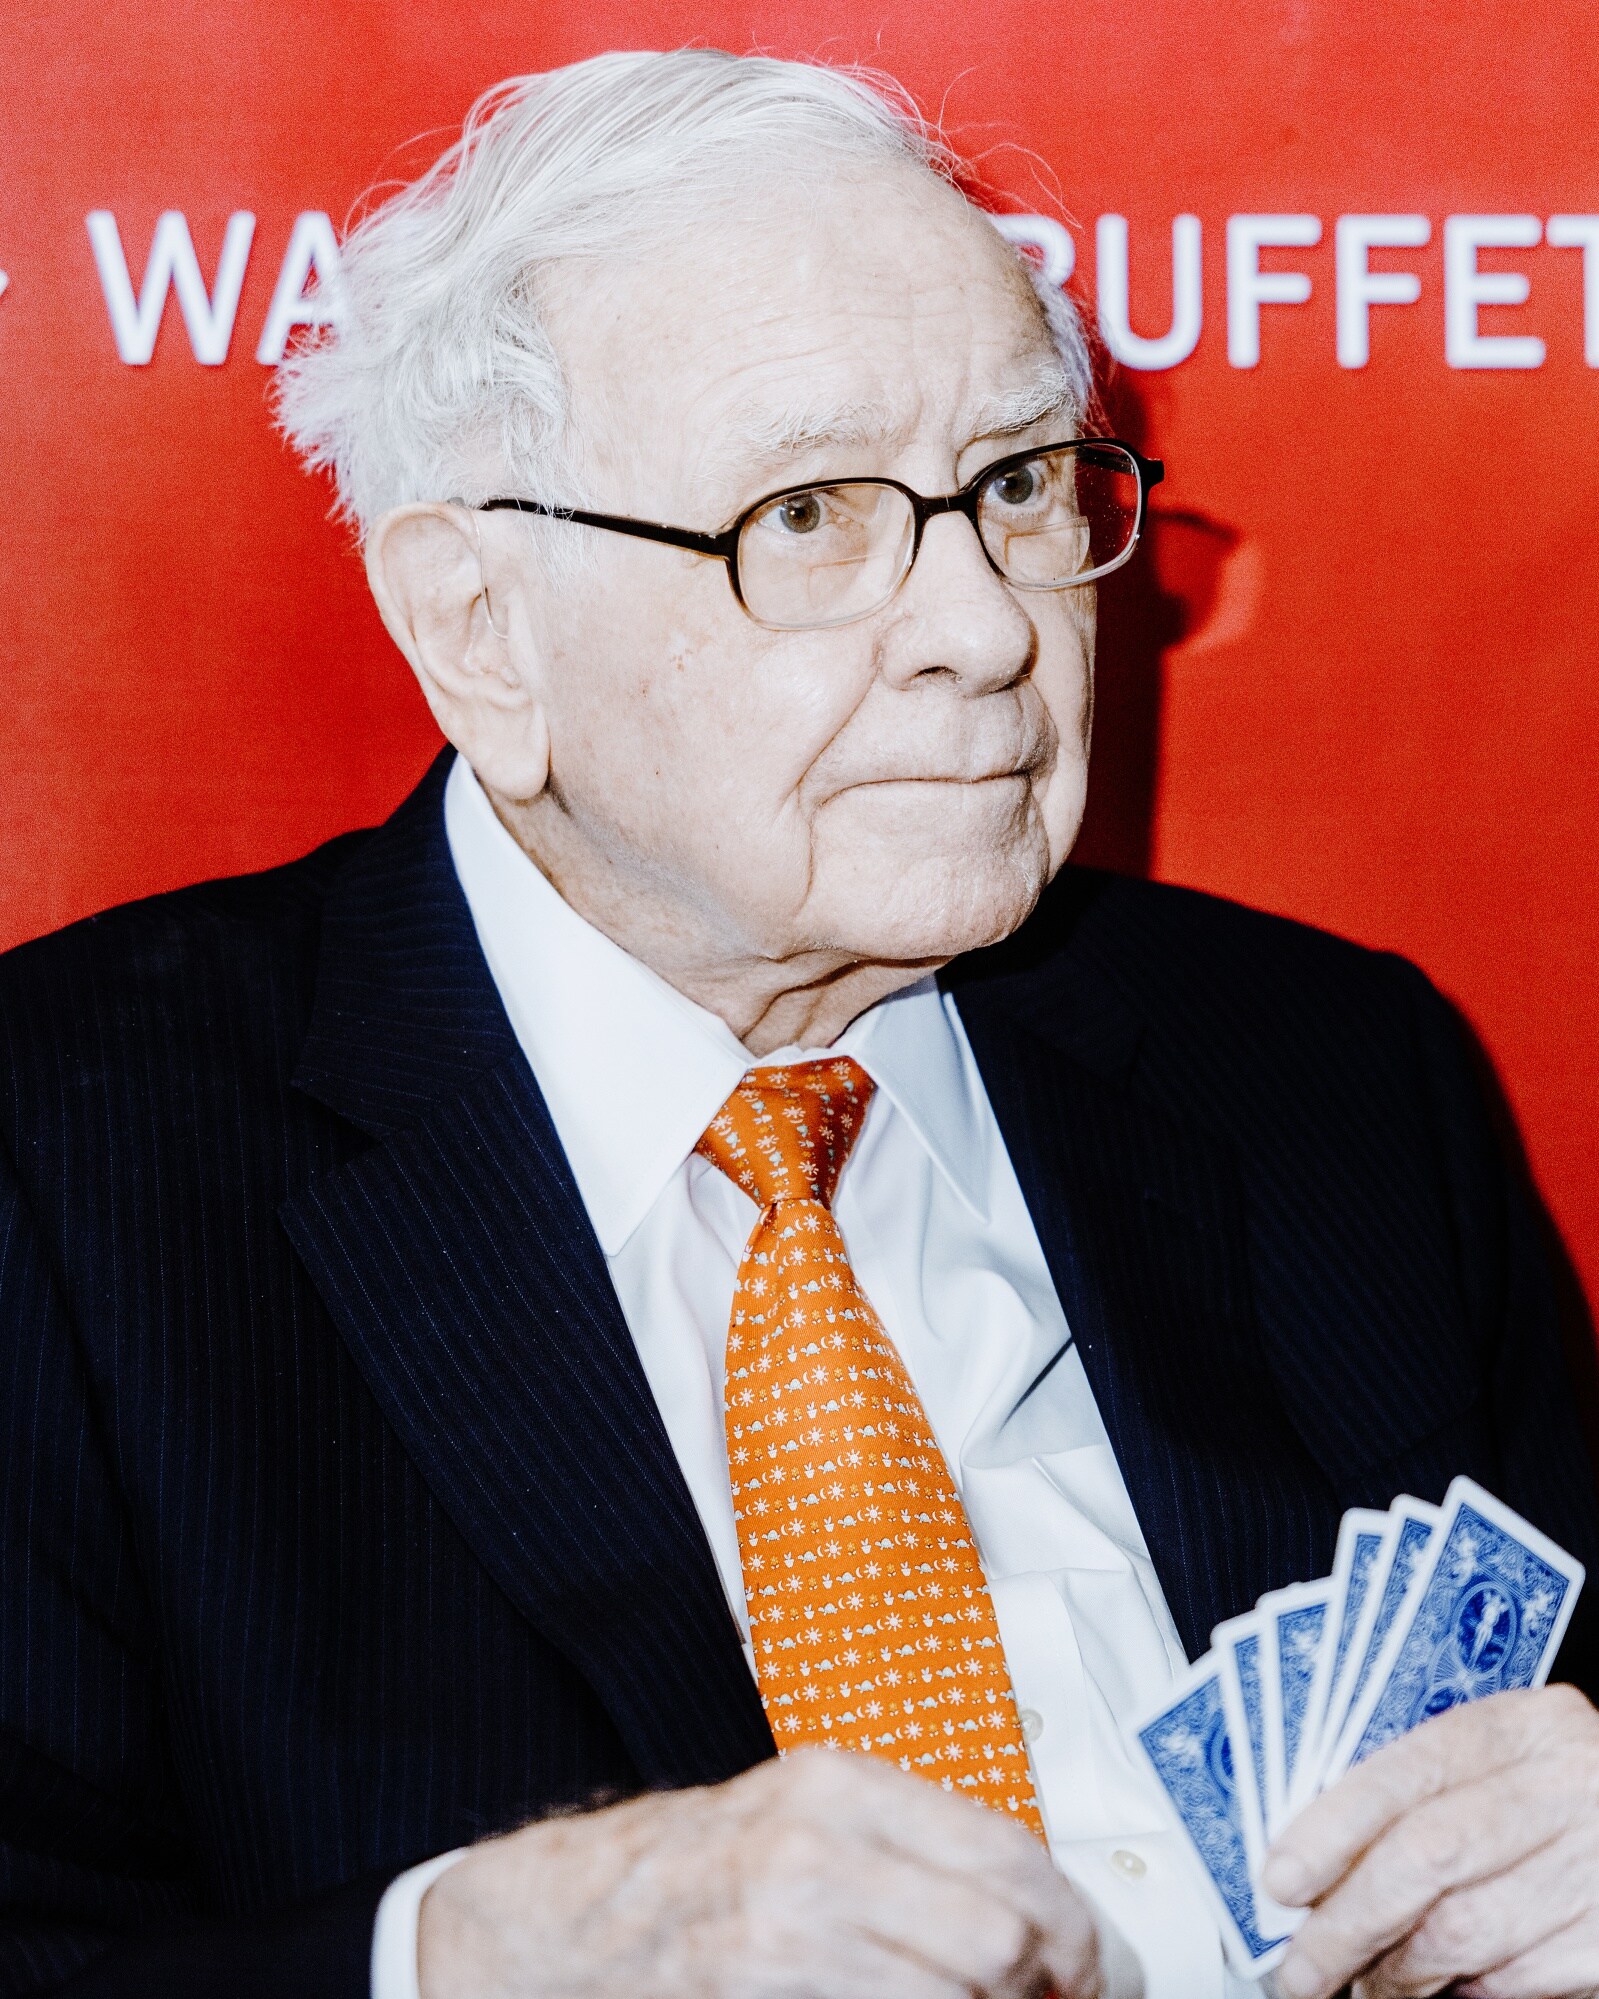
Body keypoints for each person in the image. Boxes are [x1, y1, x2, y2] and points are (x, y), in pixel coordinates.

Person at [3, 46, 1598, 1999]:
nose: (991, 626)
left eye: (1016, 484)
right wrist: (468, 1959)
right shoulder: (67, 1174)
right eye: (814, 515)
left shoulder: (1329, 1078)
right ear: (477, 625)